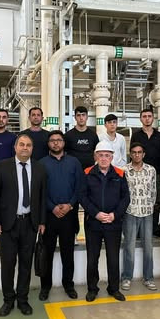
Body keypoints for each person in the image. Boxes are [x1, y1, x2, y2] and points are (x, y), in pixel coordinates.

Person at [0, 134, 47, 317]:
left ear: (32, 148)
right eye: (21, 144)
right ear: (15, 147)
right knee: (8, 264)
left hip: (30, 223)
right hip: (7, 224)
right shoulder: (2, 166)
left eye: (28, 145)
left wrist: (42, 221)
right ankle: (8, 300)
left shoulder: (39, 168)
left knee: (25, 264)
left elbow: (42, 197)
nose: (25, 148)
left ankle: (23, 300)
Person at [82, 141, 130, 303]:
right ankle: (92, 289)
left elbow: (125, 198)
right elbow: (82, 196)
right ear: (95, 156)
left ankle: (113, 288)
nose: (103, 158)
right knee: (92, 258)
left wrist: (114, 215)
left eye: (107, 155)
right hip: (93, 223)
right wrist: (96, 214)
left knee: (113, 258)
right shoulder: (87, 173)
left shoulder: (120, 174)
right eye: (100, 155)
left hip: (113, 223)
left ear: (112, 157)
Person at [38, 130, 84, 301]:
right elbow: (39, 190)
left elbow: (79, 187)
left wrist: (70, 205)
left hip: (69, 215)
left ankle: (68, 285)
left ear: (64, 143)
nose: (56, 143)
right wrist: (52, 207)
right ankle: (45, 286)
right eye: (52, 140)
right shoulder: (41, 164)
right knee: (47, 254)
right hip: (49, 216)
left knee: (68, 253)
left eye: (59, 140)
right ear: (48, 144)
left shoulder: (74, 162)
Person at [121, 142, 157, 292]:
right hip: (130, 212)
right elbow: (122, 192)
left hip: (147, 212)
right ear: (130, 154)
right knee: (129, 246)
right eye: (134, 152)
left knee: (148, 247)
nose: (137, 155)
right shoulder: (124, 170)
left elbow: (154, 190)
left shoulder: (151, 170)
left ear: (143, 154)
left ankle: (148, 278)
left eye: (139, 152)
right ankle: (127, 277)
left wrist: (150, 205)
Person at [130, 107, 160, 237]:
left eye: (149, 116)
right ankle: (139, 230)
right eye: (144, 116)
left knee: (155, 201)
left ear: (153, 118)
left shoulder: (159, 136)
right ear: (140, 119)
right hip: (139, 173)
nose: (147, 119)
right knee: (139, 200)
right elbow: (132, 154)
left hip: (156, 173)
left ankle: (154, 228)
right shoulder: (136, 135)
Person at [64, 106, 99, 234]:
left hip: (89, 177)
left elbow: (96, 154)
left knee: (90, 206)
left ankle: (90, 234)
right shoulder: (68, 136)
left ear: (87, 117)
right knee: (72, 207)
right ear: (75, 117)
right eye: (78, 115)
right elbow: (64, 155)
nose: (81, 118)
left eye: (83, 115)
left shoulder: (93, 135)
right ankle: (73, 234)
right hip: (72, 177)